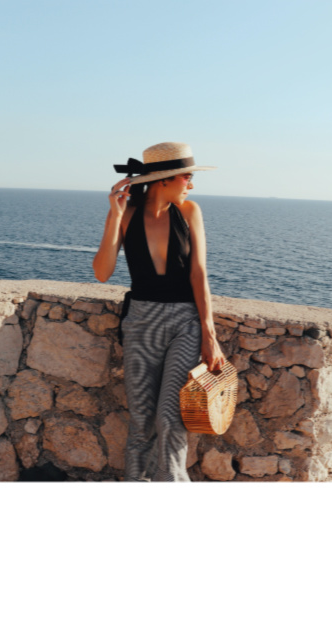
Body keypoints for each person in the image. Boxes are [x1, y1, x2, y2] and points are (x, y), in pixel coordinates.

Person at [93, 142, 227, 482]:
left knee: (171, 419)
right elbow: (102, 272)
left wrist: (208, 335)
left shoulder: (190, 212)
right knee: (141, 422)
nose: (191, 183)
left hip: (185, 323)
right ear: (163, 179)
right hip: (141, 322)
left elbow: (199, 274)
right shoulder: (128, 215)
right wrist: (114, 214)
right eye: (187, 176)